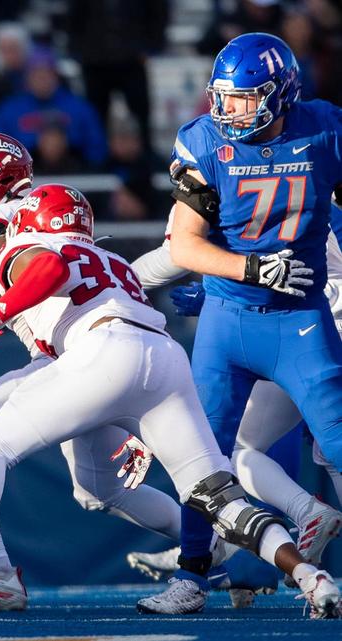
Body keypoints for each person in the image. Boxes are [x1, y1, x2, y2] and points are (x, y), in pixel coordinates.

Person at [0, 183, 340, 617]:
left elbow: (46, 269)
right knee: (218, 498)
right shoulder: (114, 262)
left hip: (98, 354)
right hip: (161, 357)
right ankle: (310, 577)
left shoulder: (32, 243)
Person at [0, 133, 180, 611]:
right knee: (100, 489)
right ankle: (211, 543)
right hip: (119, 342)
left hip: (70, 357)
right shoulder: (46, 207)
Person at [138, 32, 342, 615]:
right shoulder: (205, 141)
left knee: (337, 441)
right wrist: (249, 268)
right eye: (224, 98)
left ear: (280, 97)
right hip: (227, 322)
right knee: (202, 455)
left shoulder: (325, 130)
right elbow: (182, 242)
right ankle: (192, 576)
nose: (229, 111)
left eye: (245, 100)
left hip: (301, 316)